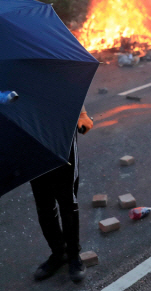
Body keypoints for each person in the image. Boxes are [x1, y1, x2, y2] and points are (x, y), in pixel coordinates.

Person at [30, 105, 93, 283]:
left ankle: (73, 256)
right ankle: (59, 253)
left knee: (67, 202)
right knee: (44, 205)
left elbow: (69, 83)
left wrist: (81, 113)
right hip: (32, 139)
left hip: (61, 135)